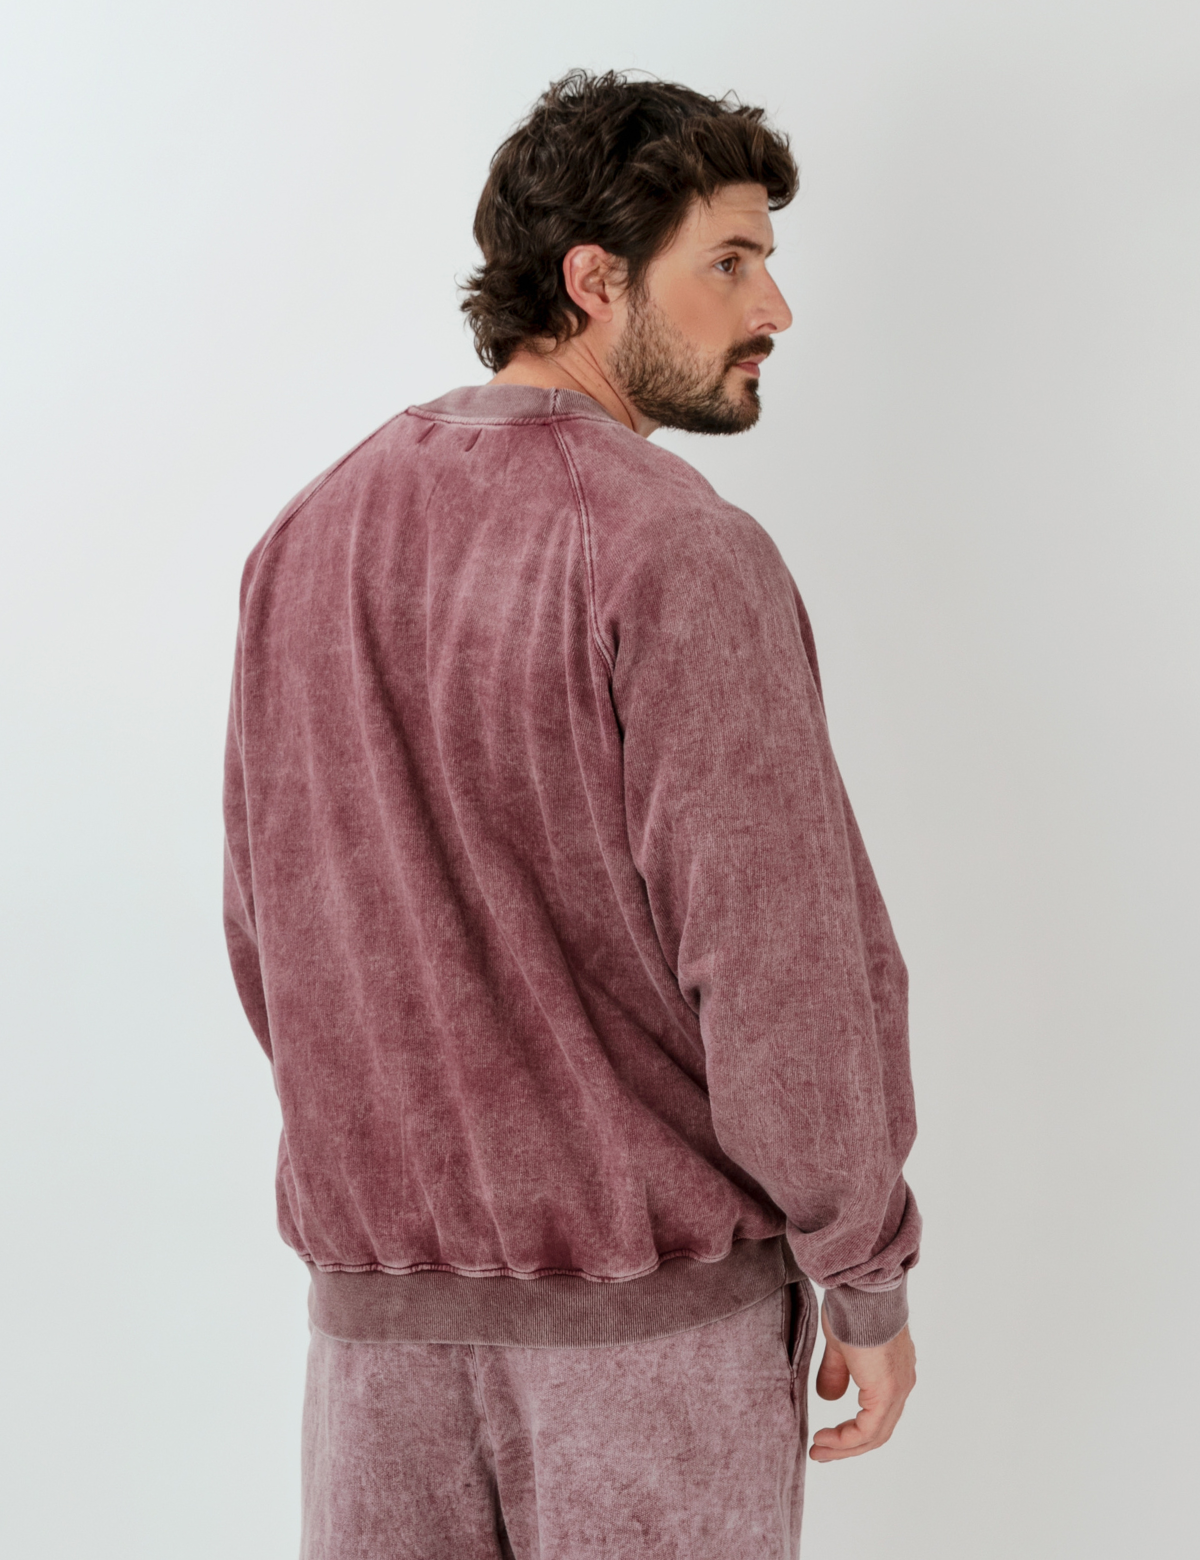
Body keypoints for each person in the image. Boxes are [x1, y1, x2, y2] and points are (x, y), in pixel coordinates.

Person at [223, 68, 920, 1560]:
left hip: (377, 1355)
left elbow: (271, 939)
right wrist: (865, 1272)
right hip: (650, 1350)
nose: (775, 308)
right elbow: (778, 966)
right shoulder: (677, 553)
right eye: (729, 262)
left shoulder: (307, 538)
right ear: (595, 280)